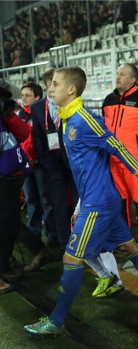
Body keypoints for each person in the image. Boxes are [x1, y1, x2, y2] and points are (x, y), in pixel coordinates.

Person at [24, 66, 138, 338]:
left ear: (71, 89)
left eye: (56, 84)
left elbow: (117, 147)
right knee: (129, 247)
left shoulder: (83, 119)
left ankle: (57, 322)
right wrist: (80, 205)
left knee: (71, 257)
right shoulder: (67, 119)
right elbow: (88, 169)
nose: (50, 88)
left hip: (99, 204)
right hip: (97, 201)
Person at [102, 63, 138, 251]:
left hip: (137, 159)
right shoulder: (108, 100)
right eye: (117, 73)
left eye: (123, 74)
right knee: (120, 200)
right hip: (113, 159)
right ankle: (124, 239)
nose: (118, 77)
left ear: (133, 79)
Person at [27, 68, 78, 271]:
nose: (55, 86)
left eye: (59, 83)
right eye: (54, 82)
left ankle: (84, 243)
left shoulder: (70, 103)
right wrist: (45, 161)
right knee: (57, 205)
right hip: (52, 164)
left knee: (78, 204)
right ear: (48, 84)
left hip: (73, 162)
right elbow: (38, 137)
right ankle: (66, 246)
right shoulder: (38, 108)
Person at [18, 81, 57, 272]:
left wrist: (45, 159)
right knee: (32, 201)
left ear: (37, 97)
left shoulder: (44, 114)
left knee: (46, 200)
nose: (24, 98)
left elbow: (50, 139)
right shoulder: (19, 115)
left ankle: (51, 237)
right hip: (26, 166)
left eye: (27, 95)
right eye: (23, 95)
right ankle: (34, 238)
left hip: (41, 165)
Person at [0, 79, 32, 293]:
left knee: (9, 225)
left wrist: (8, 112)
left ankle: (2, 267)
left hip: (10, 177)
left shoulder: (5, 116)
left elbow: (24, 134)